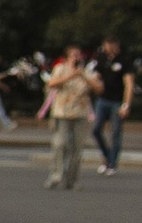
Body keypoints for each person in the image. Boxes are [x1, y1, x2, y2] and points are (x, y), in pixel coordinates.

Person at [39, 44, 98, 190]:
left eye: (79, 54)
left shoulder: (86, 71)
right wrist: (70, 75)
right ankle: (56, 175)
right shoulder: (60, 69)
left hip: (80, 113)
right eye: (73, 55)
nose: (76, 57)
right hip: (62, 112)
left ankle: (72, 179)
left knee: (77, 148)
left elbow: (98, 88)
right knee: (60, 144)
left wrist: (82, 75)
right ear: (67, 57)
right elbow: (52, 83)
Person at [90, 39, 131, 175]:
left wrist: (126, 104)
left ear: (115, 45)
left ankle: (112, 163)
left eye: (108, 46)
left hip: (117, 101)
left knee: (116, 132)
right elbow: (96, 76)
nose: (106, 49)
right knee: (96, 129)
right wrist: (95, 84)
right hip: (102, 99)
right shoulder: (102, 59)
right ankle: (107, 156)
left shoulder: (124, 60)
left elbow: (129, 84)